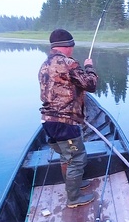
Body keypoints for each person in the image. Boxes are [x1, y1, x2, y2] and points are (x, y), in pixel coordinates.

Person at [38, 28, 98, 208]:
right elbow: (90, 85)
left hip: (48, 121)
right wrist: (89, 68)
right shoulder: (67, 63)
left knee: (67, 157)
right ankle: (73, 198)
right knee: (77, 158)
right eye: (71, 45)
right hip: (65, 122)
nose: (72, 49)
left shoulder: (44, 64)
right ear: (66, 46)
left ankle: (75, 183)